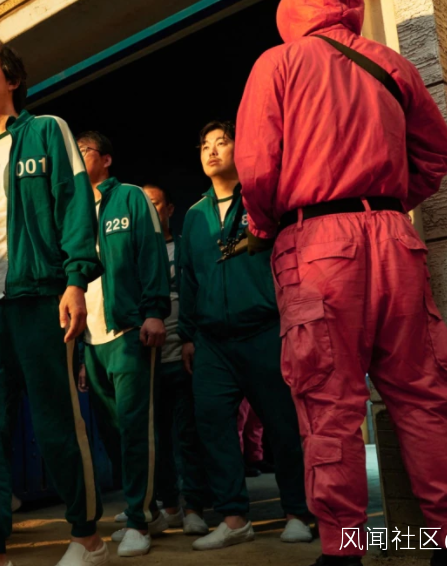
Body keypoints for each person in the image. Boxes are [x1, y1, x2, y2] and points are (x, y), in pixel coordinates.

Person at [235, 0, 447, 565]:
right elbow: (437, 153)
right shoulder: (391, 63)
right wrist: (389, 203)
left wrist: (267, 224)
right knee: (422, 394)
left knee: (329, 402)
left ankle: (343, 550)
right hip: (395, 238)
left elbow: (255, 167)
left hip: (315, 243)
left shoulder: (278, 63)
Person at [0, 38, 107, 566]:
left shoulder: (46, 130)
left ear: (13, 79)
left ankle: (87, 538)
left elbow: (74, 202)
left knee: (56, 423)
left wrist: (75, 280)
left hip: (38, 298)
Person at [178, 122, 312, 553]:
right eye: (205, 145)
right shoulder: (194, 215)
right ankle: (234, 518)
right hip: (212, 340)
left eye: (222, 142)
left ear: (240, 149)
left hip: (264, 328)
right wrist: (188, 335)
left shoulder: (260, 201)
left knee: (283, 424)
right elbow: (188, 279)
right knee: (213, 427)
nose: (212, 151)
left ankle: (298, 512)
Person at [73, 131, 169, 558]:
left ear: (106, 158)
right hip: (92, 340)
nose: (77, 158)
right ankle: (146, 508)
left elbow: (151, 253)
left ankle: (139, 520)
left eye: (84, 151)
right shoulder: (73, 210)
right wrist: (80, 350)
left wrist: (154, 310)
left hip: (129, 330)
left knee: (135, 428)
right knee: (112, 434)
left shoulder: (130, 197)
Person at [141, 184, 211, 538]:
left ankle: (194, 507)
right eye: (143, 205)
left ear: (169, 209)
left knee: (188, 435)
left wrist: (189, 337)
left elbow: (198, 290)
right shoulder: (136, 248)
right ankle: (168, 506)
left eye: (155, 204)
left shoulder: (183, 246)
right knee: (156, 438)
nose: (149, 211)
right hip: (146, 357)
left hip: (181, 352)